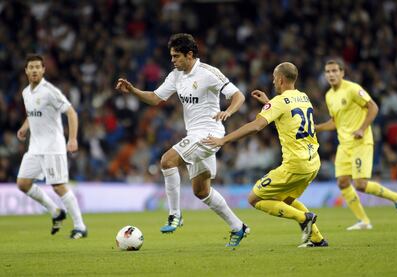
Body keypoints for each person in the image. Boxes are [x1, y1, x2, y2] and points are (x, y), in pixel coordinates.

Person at [115, 33, 249, 247]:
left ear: (189, 54)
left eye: (176, 56)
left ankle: (175, 215)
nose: (173, 60)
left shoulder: (208, 73)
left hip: (209, 134)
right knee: (201, 191)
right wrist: (132, 90)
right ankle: (238, 227)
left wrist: (228, 112)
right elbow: (155, 98)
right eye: (171, 56)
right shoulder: (176, 75)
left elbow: (238, 96)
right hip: (193, 134)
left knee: (167, 161)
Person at [204, 62, 327, 247]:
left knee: (255, 199)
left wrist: (224, 140)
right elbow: (289, 113)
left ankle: (304, 218)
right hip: (313, 162)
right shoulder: (303, 97)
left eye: (274, 78)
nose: (273, 81)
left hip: (295, 164)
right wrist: (269, 103)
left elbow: (256, 126)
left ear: (280, 79)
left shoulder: (279, 102)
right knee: (285, 201)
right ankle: (317, 239)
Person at [315, 59, 397, 230]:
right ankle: (364, 221)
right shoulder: (329, 96)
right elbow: (335, 122)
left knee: (360, 184)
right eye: (328, 72)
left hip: (361, 142)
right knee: (343, 182)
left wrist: (362, 129)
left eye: (335, 71)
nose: (331, 74)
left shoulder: (352, 89)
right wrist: (317, 128)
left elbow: (373, 107)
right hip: (344, 145)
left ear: (342, 73)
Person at [16, 54, 87, 239]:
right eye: (31, 67)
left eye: (37, 67)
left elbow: (71, 112)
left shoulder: (50, 91)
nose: (34, 70)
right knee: (23, 183)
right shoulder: (26, 92)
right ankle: (56, 212)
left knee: (58, 186)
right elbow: (33, 115)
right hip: (35, 147)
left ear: (43, 70)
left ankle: (80, 226)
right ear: (26, 70)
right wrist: (24, 128)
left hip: (53, 147)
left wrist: (72, 139)